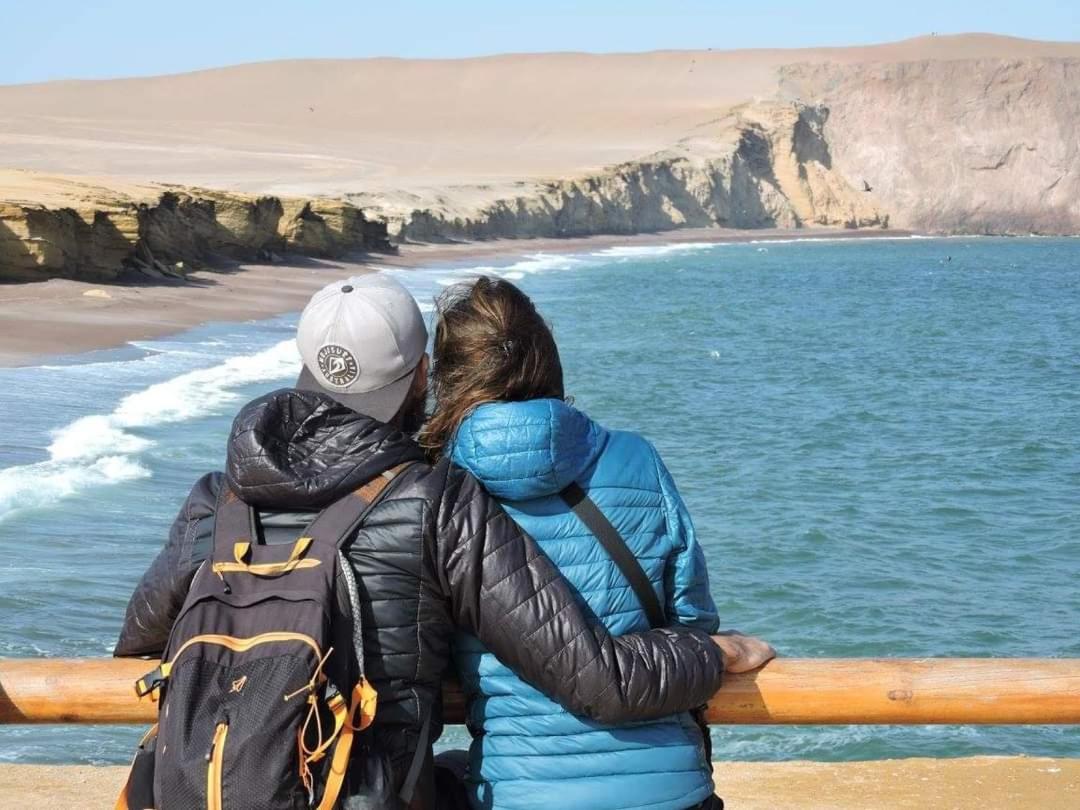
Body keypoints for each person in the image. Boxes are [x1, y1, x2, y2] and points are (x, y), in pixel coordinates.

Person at [115, 274, 741, 810]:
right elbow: (600, 673)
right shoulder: (431, 500)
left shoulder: (215, 499)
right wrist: (718, 652)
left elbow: (138, 642)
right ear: (420, 376)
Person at [420, 277, 775, 810]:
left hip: (521, 792)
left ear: (446, 380)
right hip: (669, 790)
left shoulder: (436, 491)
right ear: (548, 361)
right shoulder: (636, 459)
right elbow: (693, 619)